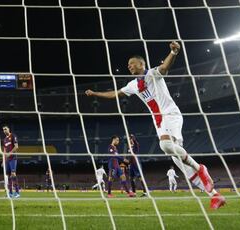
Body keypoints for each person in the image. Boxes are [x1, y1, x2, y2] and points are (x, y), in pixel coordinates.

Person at [85, 42, 225, 209]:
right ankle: (214, 195)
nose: (129, 66)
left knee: (166, 146)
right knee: (179, 160)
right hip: (159, 121)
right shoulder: (133, 85)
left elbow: (164, 68)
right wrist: (95, 93)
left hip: (170, 114)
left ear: (141, 64)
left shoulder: (152, 74)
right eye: (128, 65)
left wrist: (173, 52)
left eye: (132, 63)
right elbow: (115, 93)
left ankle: (200, 168)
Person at [2, 124, 20, 198]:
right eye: (3, 129)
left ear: (9, 129)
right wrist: (3, 160)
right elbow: (4, 151)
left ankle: (17, 192)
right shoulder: (4, 140)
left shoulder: (13, 136)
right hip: (7, 160)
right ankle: (10, 193)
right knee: (8, 176)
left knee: (13, 174)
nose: (4, 130)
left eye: (5, 129)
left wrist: (10, 153)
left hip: (13, 158)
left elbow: (16, 147)